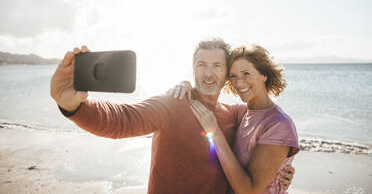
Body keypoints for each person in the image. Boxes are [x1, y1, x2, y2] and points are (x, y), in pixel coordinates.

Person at [50, 39, 294, 194]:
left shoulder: (234, 114)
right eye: (201, 65)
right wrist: (74, 107)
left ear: (227, 74)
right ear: (193, 68)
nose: (208, 74)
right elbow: (123, 120)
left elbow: (264, 130)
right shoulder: (173, 103)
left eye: (217, 66)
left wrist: (281, 171)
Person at [171, 44, 299, 194]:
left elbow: (249, 191)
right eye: (233, 76)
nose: (239, 83)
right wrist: (187, 86)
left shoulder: (279, 124)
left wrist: (215, 133)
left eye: (246, 73)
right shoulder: (241, 113)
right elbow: (209, 106)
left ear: (264, 75)